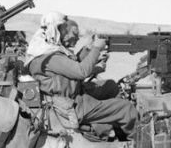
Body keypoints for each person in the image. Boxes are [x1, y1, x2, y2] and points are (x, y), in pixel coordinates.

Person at [25, 12, 138, 140]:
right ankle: (136, 145)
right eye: (70, 32)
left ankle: (116, 128)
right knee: (126, 108)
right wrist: (96, 49)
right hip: (70, 104)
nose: (75, 37)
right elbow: (80, 71)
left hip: (72, 93)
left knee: (111, 86)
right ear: (57, 30)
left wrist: (89, 50)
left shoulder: (47, 49)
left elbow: (70, 65)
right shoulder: (50, 57)